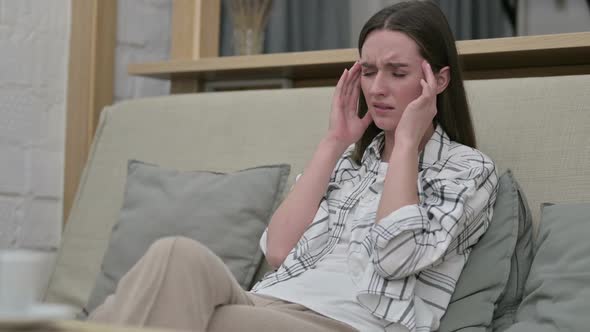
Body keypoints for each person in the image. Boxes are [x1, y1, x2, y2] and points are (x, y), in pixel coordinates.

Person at [89, 1, 498, 331]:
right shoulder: (350, 165)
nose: (376, 88)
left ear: (438, 81)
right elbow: (279, 251)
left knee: (158, 315)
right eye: (369, 71)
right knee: (174, 255)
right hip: (270, 303)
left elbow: (395, 257)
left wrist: (407, 143)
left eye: (398, 72)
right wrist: (334, 142)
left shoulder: (467, 170)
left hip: (348, 323)